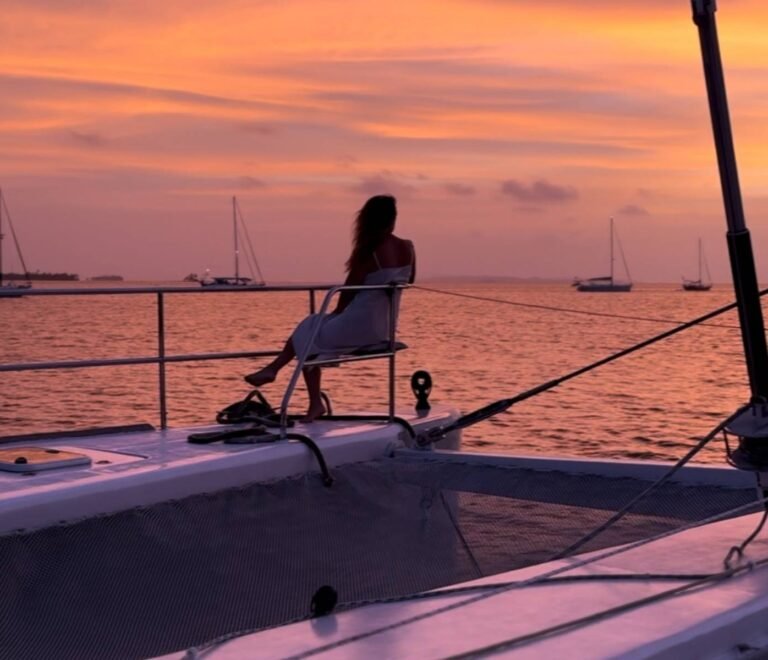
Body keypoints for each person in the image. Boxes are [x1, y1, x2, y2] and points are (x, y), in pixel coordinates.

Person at [244, 195, 416, 421]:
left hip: (358, 326)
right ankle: (276, 372)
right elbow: (409, 280)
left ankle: (293, 385)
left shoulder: (369, 251)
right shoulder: (408, 247)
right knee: (312, 327)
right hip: (384, 328)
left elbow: (347, 292)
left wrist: (336, 313)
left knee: (309, 331)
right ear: (392, 218)